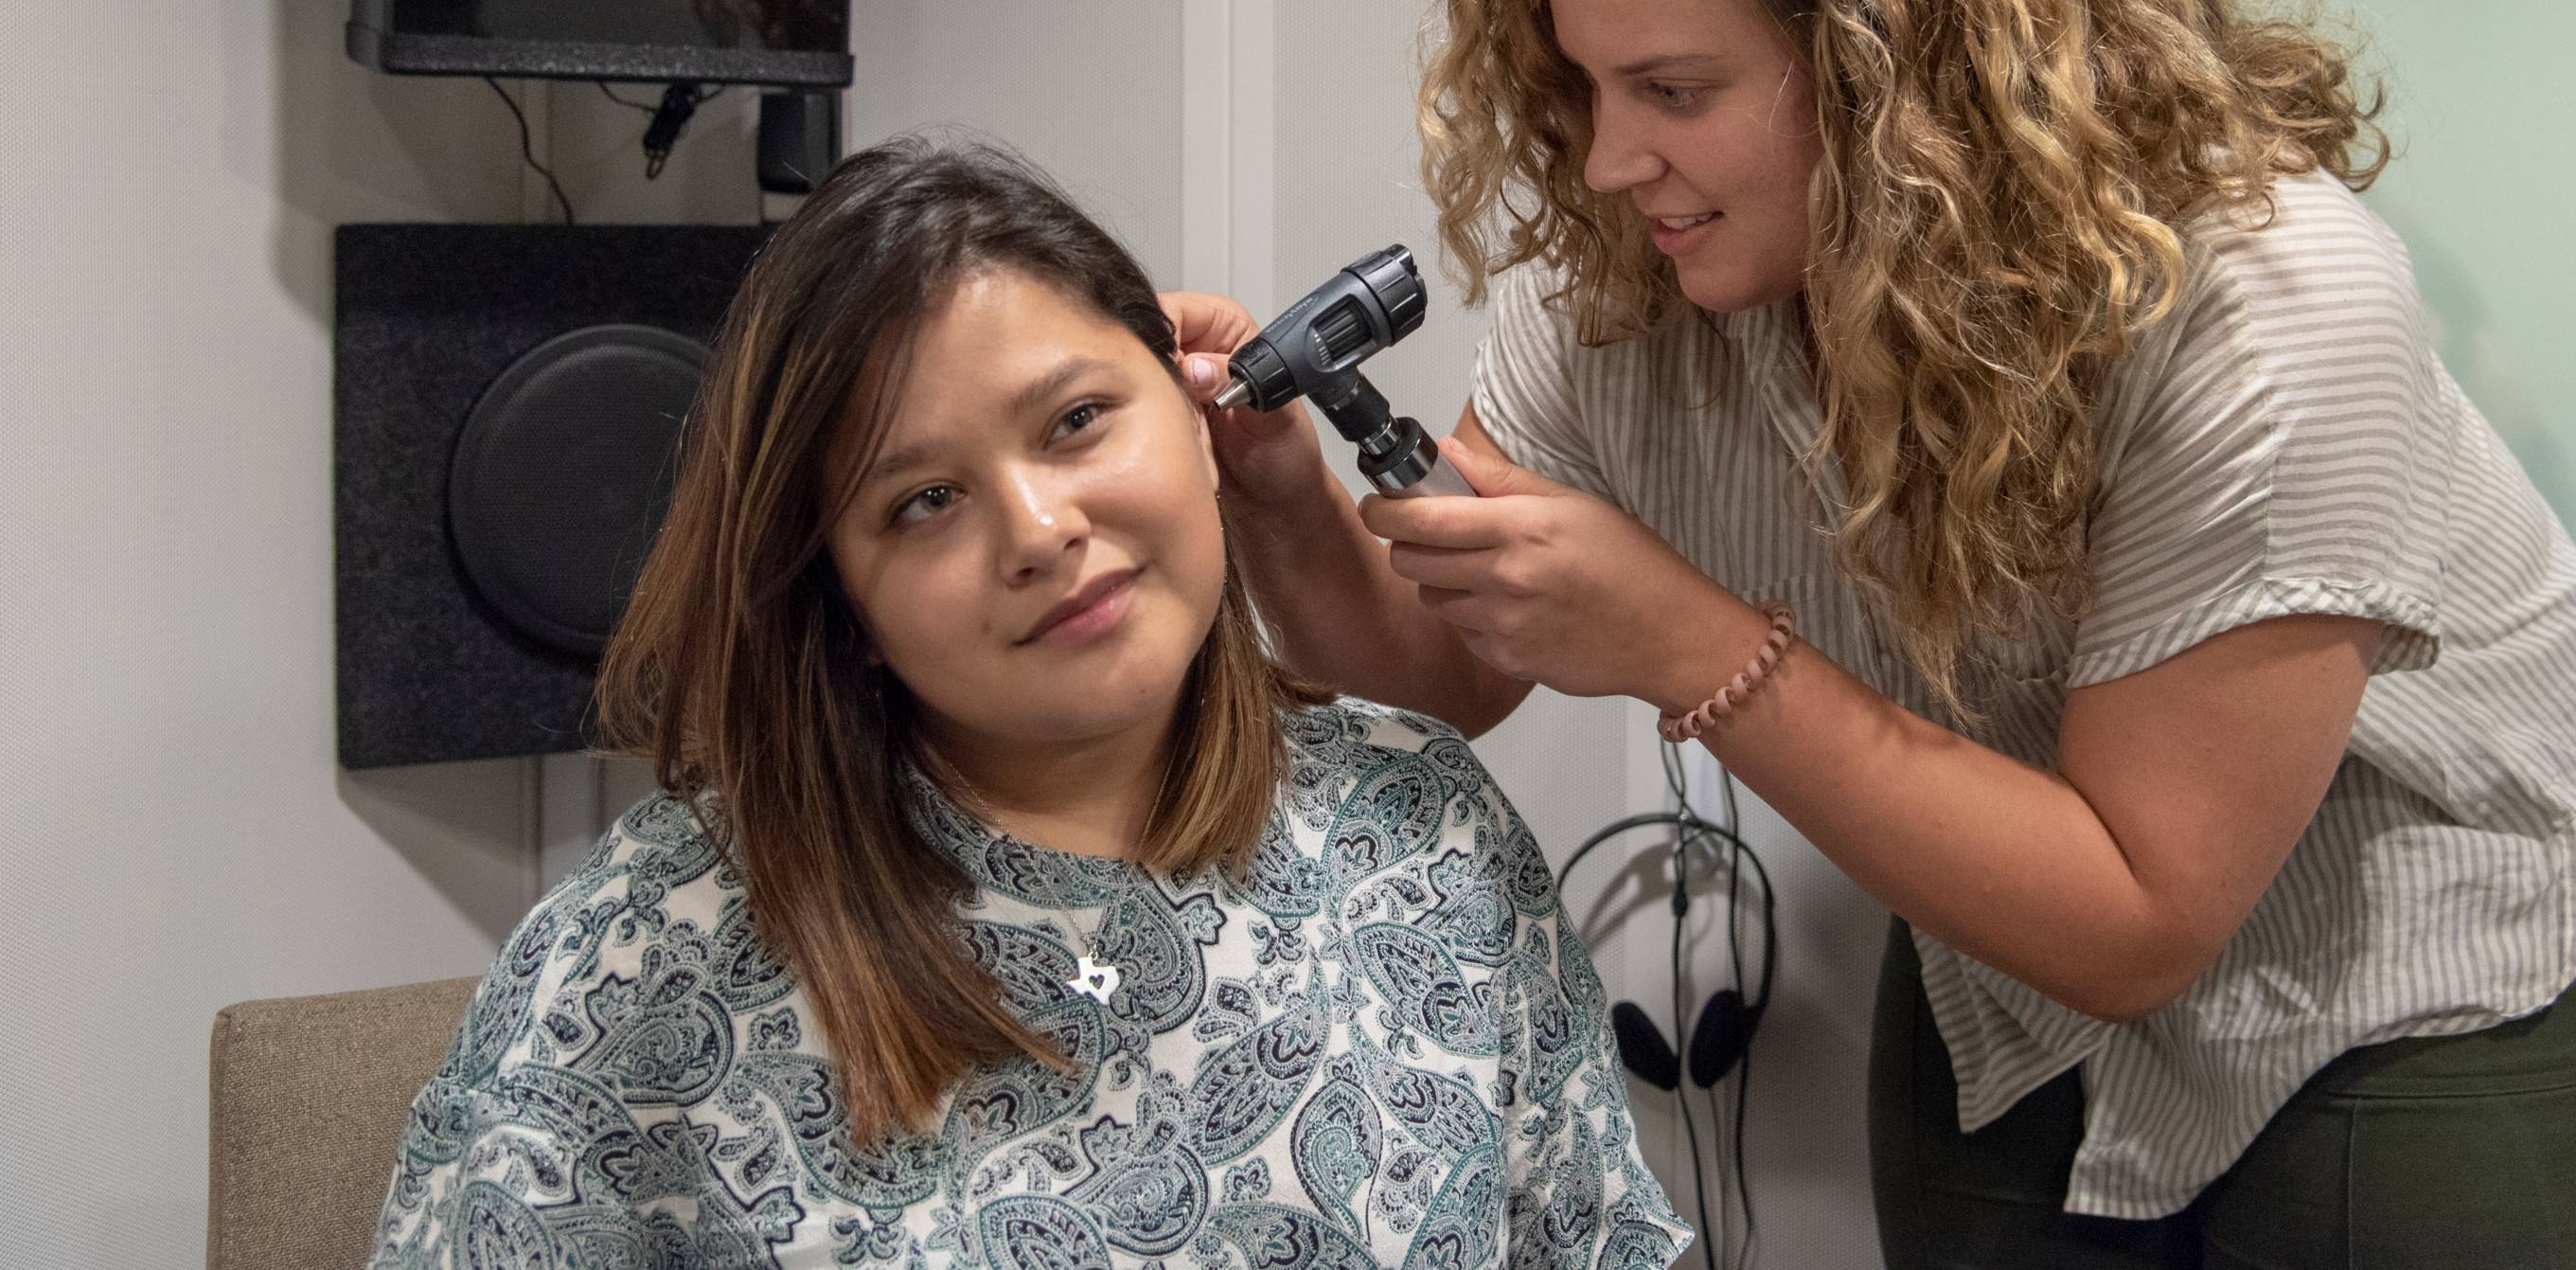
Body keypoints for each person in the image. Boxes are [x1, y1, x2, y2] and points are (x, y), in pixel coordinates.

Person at [1168, 0, 2576, 1268]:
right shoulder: (1643, 270)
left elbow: (2136, 922)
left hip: (2406, 946)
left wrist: (1684, 642)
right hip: (2009, 941)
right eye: (1586, 83)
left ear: (1912, 60)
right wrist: (1284, 512)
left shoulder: (2266, 306)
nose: (1611, 159)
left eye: (1676, 88)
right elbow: (1446, 672)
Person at [367, 138, 1690, 1270]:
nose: (1040, 530)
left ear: (1199, 416)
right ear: (844, 604)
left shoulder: (1424, 830)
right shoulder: (656, 947)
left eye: (1073, 423)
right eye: (923, 501)